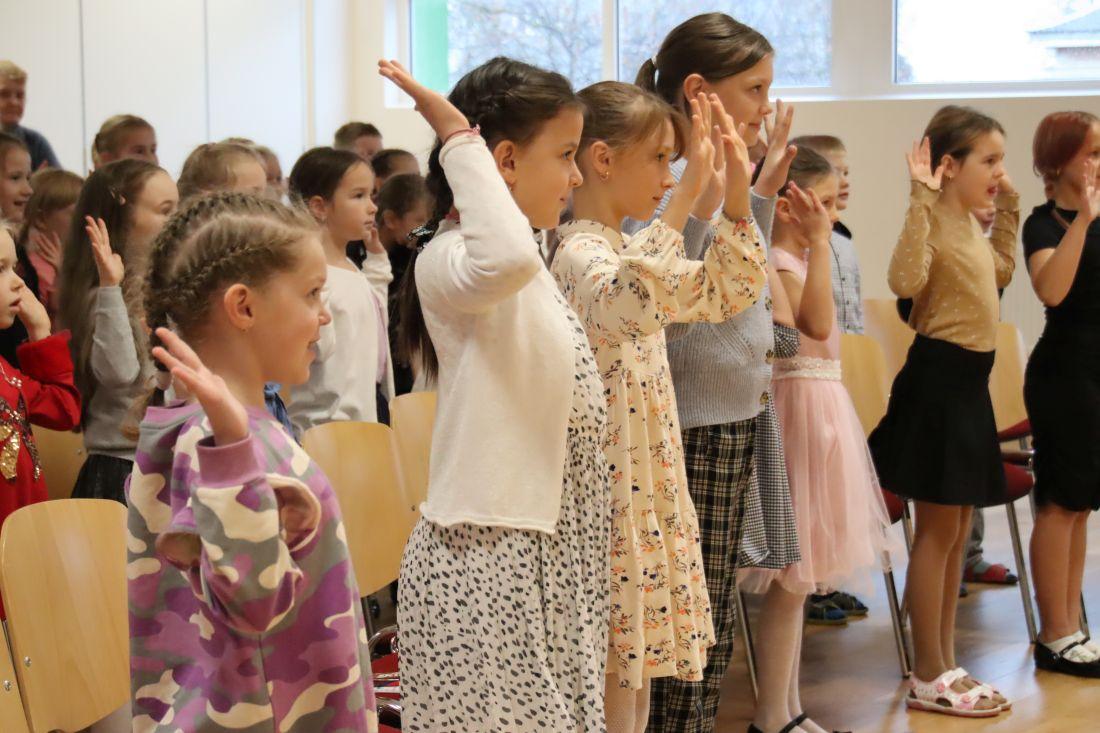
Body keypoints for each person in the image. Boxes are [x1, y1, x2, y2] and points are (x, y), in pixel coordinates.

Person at [127, 191, 378, 732]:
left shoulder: (232, 429)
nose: (324, 314)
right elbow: (253, 603)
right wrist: (234, 449)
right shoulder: (212, 440)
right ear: (244, 307)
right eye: (311, 293)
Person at [869, 105, 1018, 717]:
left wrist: (1009, 208)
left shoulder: (971, 226)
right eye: (990, 161)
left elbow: (1002, 269)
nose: (999, 172)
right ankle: (927, 672)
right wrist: (919, 197)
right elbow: (904, 280)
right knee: (936, 533)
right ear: (949, 165)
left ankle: (946, 663)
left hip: (967, 387)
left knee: (956, 531)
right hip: (936, 386)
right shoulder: (932, 220)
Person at [1022, 110, 1100, 677]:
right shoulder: (1043, 224)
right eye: (1092, 152)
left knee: (1081, 504)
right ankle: (1054, 635)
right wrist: (1085, 220)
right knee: (1059, 502)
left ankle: (1072, 626)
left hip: (1096, 372)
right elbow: (1052, 289)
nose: (1099, 162)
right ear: (1058, 161)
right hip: (1065, 375)